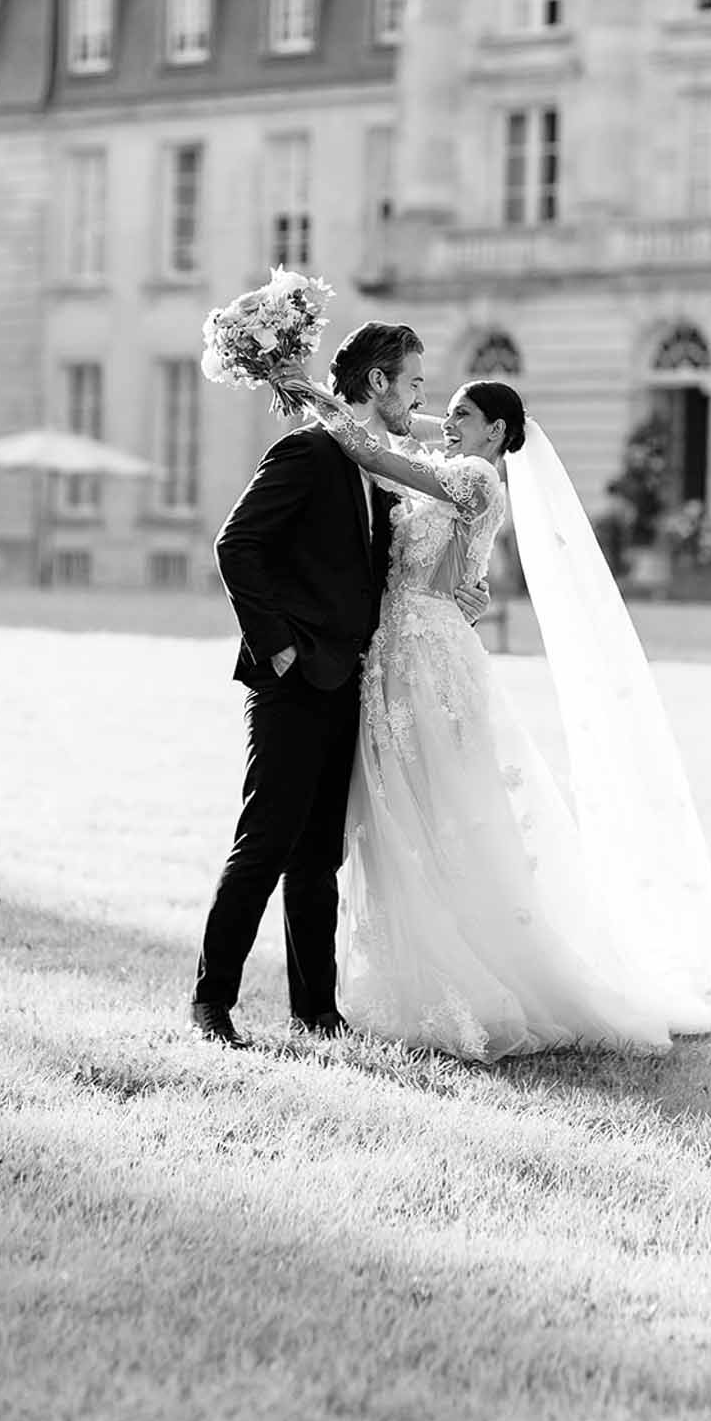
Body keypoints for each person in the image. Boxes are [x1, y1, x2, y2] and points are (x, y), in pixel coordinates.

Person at [294, 375, 711, 1062]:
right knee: (405, 810)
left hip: (430, 658)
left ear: (497, 432)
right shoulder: (457, 463)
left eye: (465, 415)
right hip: (399, 646)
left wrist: (314, 400)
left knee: (443, 807)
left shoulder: (474, 476)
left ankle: (473, 970)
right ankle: (417, 969)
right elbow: (410, 434)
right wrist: (332, 388)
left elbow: (381, 456)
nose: (448, 421)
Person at [190, 321, 485, 1048]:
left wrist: (459, 598)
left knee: (320, 856)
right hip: (293, 681)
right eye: (413, 381)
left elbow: (393, 572)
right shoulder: (307, 451)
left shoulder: (379, 469)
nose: (421, 397)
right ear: (379, 382)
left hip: (353, 681)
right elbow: (237, 545)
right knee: (264, 844)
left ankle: (316, 1013)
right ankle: (210, 1004)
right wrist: (279, 648)